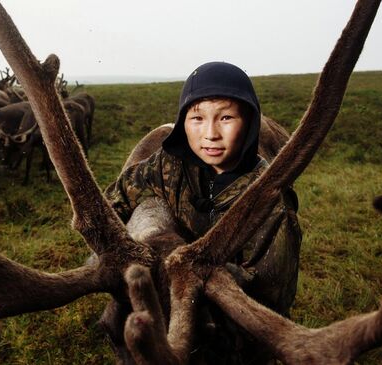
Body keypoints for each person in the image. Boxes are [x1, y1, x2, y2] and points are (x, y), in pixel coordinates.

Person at [104, 61, 302, 363]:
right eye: (197, 118)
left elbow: (271, 299)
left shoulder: (271, 204)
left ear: (249, 121)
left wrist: (200, 275)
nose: (210, 134)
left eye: (225, 118)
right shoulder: (166, 164)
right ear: (183, 121)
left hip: (231, 329)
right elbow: (113, 203)